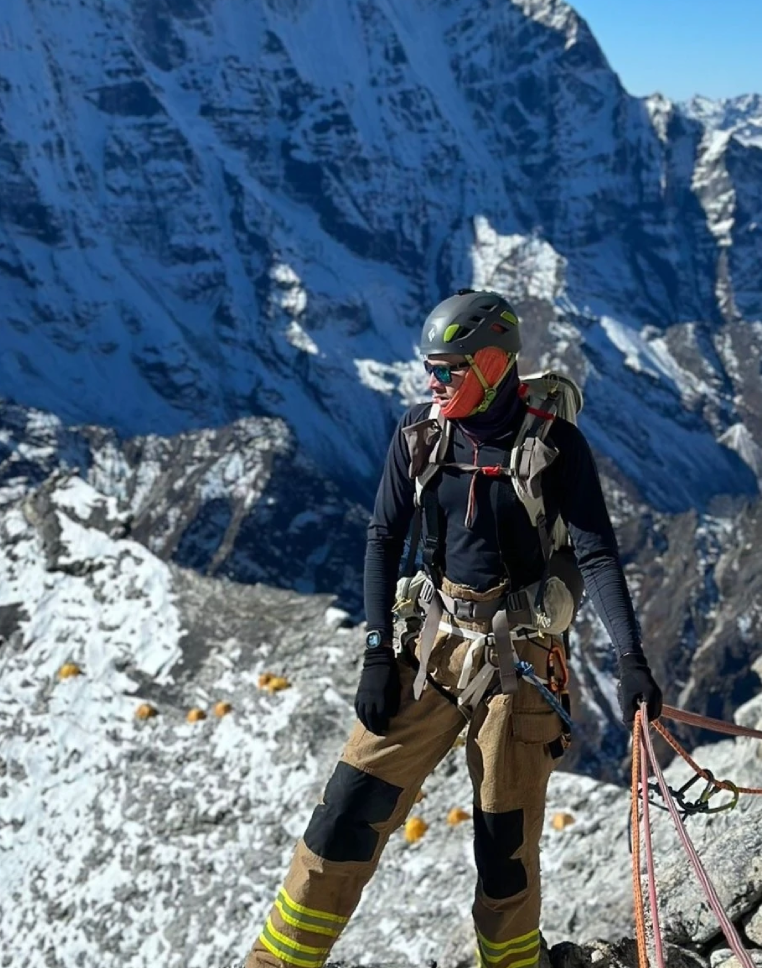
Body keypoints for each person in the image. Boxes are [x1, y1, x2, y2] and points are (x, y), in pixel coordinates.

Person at [246, 289, 662, 968]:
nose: (433, 383)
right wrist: (378, 654)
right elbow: (383, 536)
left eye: (449, 370)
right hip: (431, 646)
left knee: (505, 848)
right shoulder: (419, 433)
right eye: (431, 369)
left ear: (494, 363)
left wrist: (630, 659)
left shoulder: (557, 448)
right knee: (348, 808)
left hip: (518, 665)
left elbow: (596, 554)